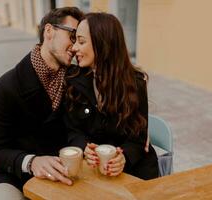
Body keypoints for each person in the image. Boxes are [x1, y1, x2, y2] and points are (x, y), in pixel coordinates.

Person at [0, 7, 84, 199]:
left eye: (80, 39)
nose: (75, 47)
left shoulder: (77, 78)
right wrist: (32, 162)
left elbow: (81, 129)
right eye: (72, 36)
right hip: (17, 175)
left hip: (66, 171)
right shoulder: (5, 87)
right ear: (49, 31)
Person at [64, 12, 159, 180]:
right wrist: (83, 147)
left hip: (135, 171)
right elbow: (72, 130)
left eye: (81, 41)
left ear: (103, 44)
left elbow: (139, 138)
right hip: (94, 171)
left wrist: (125, 158)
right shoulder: (74, 80)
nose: (74, 48)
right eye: (75, 40)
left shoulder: (136, 83)